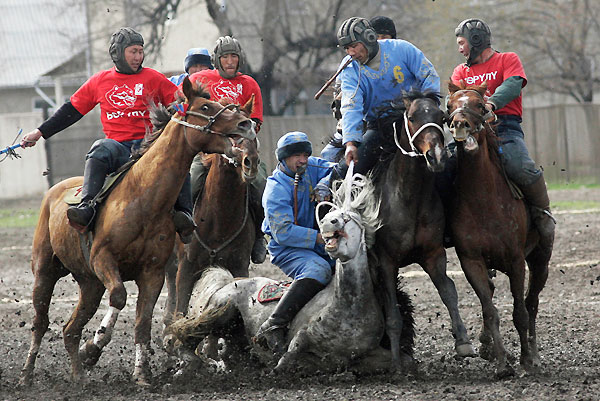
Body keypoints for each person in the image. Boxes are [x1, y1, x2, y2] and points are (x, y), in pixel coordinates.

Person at [20, 27, 196, 242]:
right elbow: (71, 111)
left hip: (149, 148)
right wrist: (39, 132)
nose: (138, 56)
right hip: (118, 148)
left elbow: (182, 102)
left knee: (177, 159)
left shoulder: (154, 78)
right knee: (100, 148)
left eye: (141, 51)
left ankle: (185, 215)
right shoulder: (100, 80)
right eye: (133, 51)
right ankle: (86, 208)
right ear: (118, 53)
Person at [451, 18, 555, 248]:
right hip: (470, 130)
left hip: (505, 126)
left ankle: (542, 213)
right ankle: (447, 223)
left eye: (462, 43)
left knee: (520, 166)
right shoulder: (460, 71)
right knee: (445, 167)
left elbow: (513, 84)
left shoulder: (507, 59)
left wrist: (492, 104)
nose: (459, 49)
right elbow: (456, 99)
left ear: (475, 41)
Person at [187, 36, 267, 263]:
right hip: (209, 149)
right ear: (216, 60)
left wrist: (239, 141)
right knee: (191, 181)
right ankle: (181, 233)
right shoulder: (200, 79)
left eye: (234, 56)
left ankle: (259, 236)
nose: (230, 61)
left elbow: (256, 121)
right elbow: (190, 111)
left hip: (242, 147)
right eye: (225, 57)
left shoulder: (249, 84)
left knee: (260, 183)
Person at [254, 131, 335, 354]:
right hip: (289, 249)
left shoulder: (312, 167)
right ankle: (275, 323)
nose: (303, 160)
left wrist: (325, 183)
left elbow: (337, 169)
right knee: (319, 270)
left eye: (305, 154)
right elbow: (284, 233)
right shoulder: (275, 189)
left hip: (321, 244)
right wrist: (320, 238)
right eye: (297, 156)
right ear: (284, 158)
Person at [334, 17, 440, 178]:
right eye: (347, 48)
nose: (351, 53)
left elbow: (429, 76)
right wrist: (350, 143)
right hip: (379, 128)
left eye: (354, 46)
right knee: (342, 174)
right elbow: (351, 104)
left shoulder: (402, 49)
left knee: (447, 166)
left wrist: (427, 109)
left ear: (369, 38)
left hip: (415, 122)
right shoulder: (350, 68)